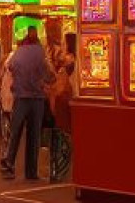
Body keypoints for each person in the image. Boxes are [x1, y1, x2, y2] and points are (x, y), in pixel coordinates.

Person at [1, 27, 55, 180]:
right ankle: (31, 172)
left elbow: (10, 67)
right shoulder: (41, 52)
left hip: (21, 97)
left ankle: (9, 162)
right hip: (36, 98)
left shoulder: (19, 52)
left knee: (15, 131)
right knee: (33, 135)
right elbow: (48, 74)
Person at [48, 55, 74, 183]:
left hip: (62, 123)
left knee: (61, 144)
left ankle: (58, 171)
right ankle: (58, 171)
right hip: (62, 124)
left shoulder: (63, 90)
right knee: (62, 145)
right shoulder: (65, 89)